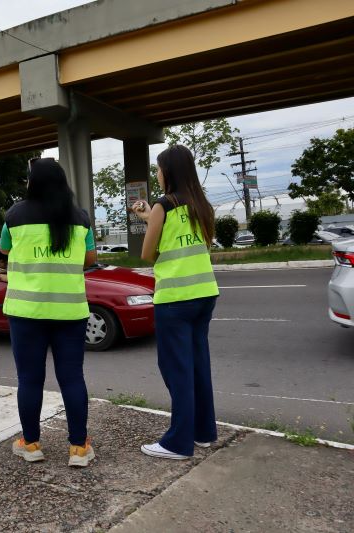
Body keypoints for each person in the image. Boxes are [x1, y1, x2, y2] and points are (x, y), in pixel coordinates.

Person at [0, 157, 97, 468]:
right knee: (72, 378)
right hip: (70, 311)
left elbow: (4, 249)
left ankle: (30, 444)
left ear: (33, 182)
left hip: (26, 312)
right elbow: (90, 258)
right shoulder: (80, 219)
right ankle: (79, 448)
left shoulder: (15, 216)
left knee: (29, 379)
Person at [131, 144, 220, 460]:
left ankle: (177, 443)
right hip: (204, 294)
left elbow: (147, 253)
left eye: (158, 168)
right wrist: (148, 217)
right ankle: (204, 432)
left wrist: (149, 217)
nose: (157, 173)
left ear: (168, 171)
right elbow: (183, 243)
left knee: (176, 368)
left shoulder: (163, 205)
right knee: (198, 364)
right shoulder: (201, 205)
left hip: (174, 299)